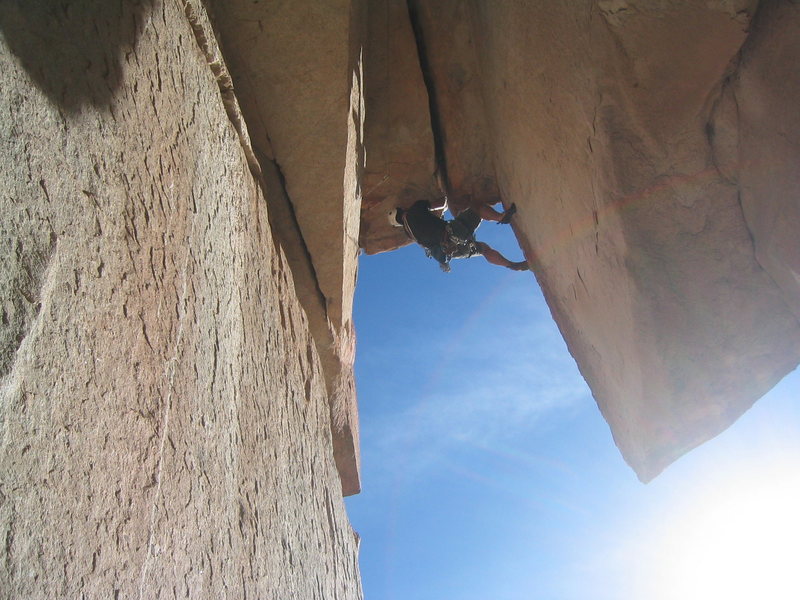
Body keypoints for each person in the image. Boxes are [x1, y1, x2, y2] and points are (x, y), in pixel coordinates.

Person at [389, 199, 529, 272]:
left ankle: (512, 265)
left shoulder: (410, 234)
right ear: (401, 210)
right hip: (453, 232)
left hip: (451, 252)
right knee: (477, 207)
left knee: (484, 249)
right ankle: (501, 217)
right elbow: (441, 202)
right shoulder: (415, 209)